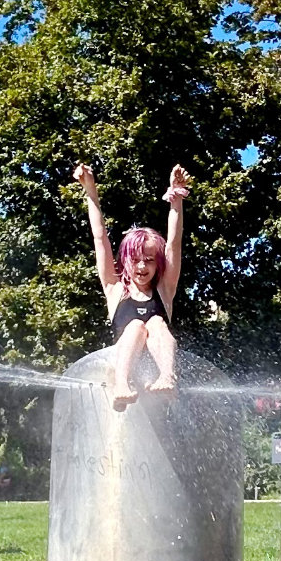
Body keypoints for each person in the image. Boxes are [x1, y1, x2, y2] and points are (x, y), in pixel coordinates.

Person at [74, 161, 190, 410]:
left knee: (156, 323)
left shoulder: (164, 290)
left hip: (156, 369)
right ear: (124, 261)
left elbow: (174, 244)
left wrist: (176, 200)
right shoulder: (115, 290)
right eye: (135, 260)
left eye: (149, 261)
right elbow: (99, 237)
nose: (141, 267)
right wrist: (91, 192)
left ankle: (168, 377)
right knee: (137, 325)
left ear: (158, 264)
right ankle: (121, 384)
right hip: (123, 367)